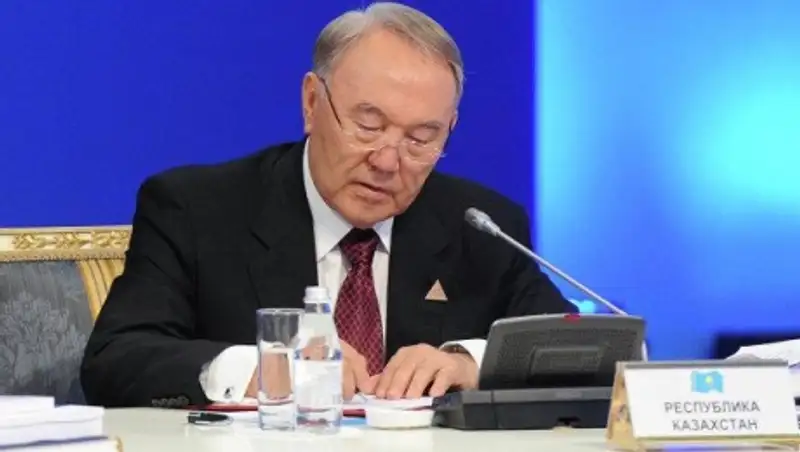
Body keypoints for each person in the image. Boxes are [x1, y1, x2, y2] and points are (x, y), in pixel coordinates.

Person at [80, 2, 573, 408]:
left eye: (421, 139)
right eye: (368, 126)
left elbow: (583, 348)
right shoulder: (197, 209)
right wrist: (264, 369)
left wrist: (471, 363)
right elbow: (116, 360)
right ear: (312, 103)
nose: (388, 161)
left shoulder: (481, 226)